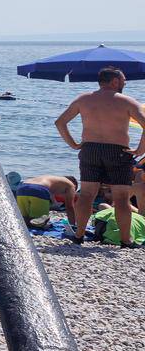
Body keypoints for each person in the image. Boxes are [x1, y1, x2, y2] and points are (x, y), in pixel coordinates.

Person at [55, 66, 145, 245]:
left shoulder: (84, 99)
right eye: (124, 80)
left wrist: (74, 144)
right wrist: (140, 149)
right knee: (120, 197)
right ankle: (126, 240)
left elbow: (60, 122)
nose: (125, 83)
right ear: (115, 81)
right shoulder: (127, 102)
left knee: (86, 194)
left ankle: (79, 235)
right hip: (117, 152)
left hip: (90, 150)